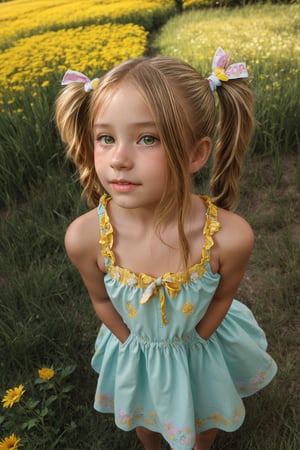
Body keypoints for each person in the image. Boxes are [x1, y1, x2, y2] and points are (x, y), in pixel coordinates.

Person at [55, 47, 277, 450]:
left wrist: (193, 347)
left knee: (202, 421)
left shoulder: (230, 238)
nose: (119, 159)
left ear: (196, 153)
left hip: (202, 353)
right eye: (106, 138)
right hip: (137, 353)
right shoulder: (85, 239)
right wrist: (134, 347)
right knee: (147, 417)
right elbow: (101, 299)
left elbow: (224, 296)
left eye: (147, 139)